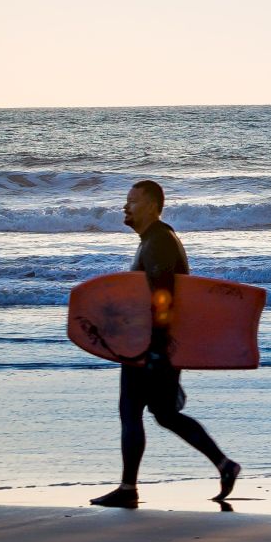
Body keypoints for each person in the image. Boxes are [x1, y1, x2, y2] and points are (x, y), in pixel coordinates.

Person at [89, 180, 241, 508]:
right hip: (158, 343)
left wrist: (156, 350)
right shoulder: (154, 239)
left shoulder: (158, 241)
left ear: (153, 207)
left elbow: (163, 296)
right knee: (164, 413)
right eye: (125, 201)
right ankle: (225, 465)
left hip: (151, 345)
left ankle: (128, 489)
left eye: (132, 201)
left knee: (131, 410)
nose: (125, 207)